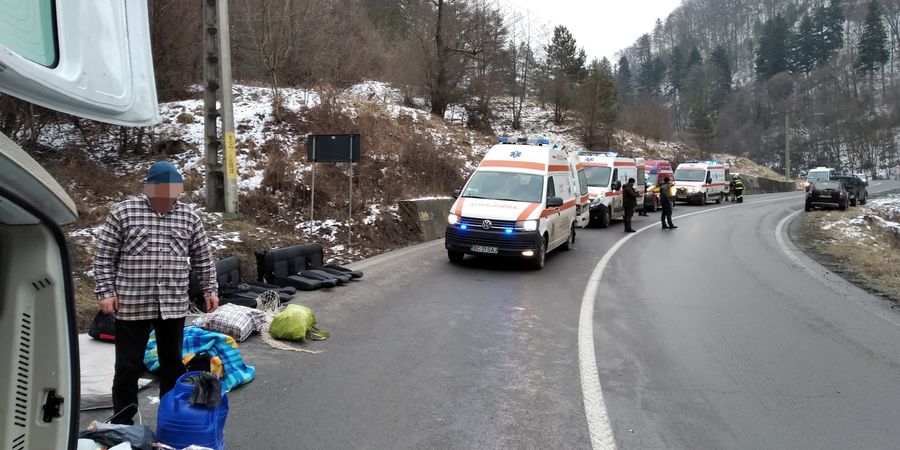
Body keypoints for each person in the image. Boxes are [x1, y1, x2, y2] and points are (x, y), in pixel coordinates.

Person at [93, 161, 219, 425]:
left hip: (172, 303)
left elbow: (203, 258)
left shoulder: (189, 217)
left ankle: (170, 417)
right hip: (132, 303)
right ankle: (123, 422)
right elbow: (104, 256)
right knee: (128, 366)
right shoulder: (124, 212)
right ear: (148, 188)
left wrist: (210, 289)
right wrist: (105, 292)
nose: (167, 199)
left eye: (172, 194)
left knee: (172, 363)